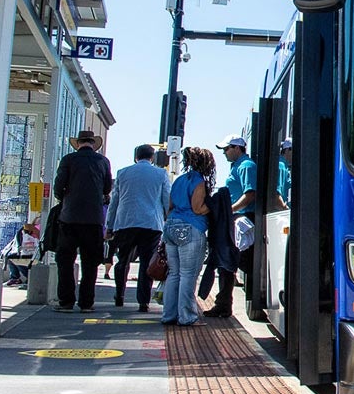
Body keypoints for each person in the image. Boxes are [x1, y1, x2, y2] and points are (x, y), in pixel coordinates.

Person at [52, 129, 113, 313]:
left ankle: (66, 301)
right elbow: (107, 188)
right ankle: (86, 303)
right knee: (90, 262)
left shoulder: (68, 160)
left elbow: (58, 187)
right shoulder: (103, 161)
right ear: (93, 144)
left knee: (65, 260)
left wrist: (65, 199)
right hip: (94, 219)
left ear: (78, 143)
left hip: (69, 217)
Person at [105, 144, 171, 311]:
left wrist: (109, 225)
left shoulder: (123, 173)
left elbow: (115, 202)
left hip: (125, 222)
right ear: (152, 157)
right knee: (146, 263)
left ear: (135, 157)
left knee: (123, 260)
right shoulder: (161, 174)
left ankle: (119, 294)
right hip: (151, 224)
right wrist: (168, 221)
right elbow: (167, 200)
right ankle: (143, 301)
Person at [161, 147, 215, 327]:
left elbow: (169, 206)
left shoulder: (179, 180)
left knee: (174, 274)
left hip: (171, 226)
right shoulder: (198, 181)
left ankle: (168, 315)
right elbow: (197, 208)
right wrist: (213, 205)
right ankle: (187, 316)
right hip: (190, 228)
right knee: (188, 275)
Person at [205, 134, 256, 318]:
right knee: (227, 263)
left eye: (226, 149)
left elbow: (250, 194)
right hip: (236, 218)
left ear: (237, 148)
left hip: (241, 220)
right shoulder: (237, 166)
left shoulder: (246, 166)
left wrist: (230, 210)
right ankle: (223, 303)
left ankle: (224, 304)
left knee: (232, 262)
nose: (225, 153)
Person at [1, 222, 39, 287]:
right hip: (27, 251)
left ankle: (20, 277)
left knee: (16, 260)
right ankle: (15, 278)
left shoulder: (35, 230)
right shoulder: (27, 231)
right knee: (13, 258)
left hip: (32, 253)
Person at [274, 138, 292, 210]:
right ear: (287, 150)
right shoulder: (281, 165)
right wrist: (285, 209)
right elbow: (276, 194)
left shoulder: (285, 166)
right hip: (278, 213)